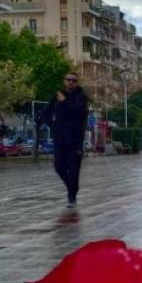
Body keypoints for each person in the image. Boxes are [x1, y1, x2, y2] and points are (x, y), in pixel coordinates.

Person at [45, 71, 88, 208]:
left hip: (75, 139)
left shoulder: (81, 97)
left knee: (74, 169)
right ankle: (72, 189)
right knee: (59, 167)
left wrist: (64, 102)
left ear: (77, 82)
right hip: (60, 139)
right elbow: (47, 112)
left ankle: (71, 196)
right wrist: (53, 126)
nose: (70, 82)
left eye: (73, 80)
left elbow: (77, 112)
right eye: (68, 79)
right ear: (64, 81)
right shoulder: (57, 96)